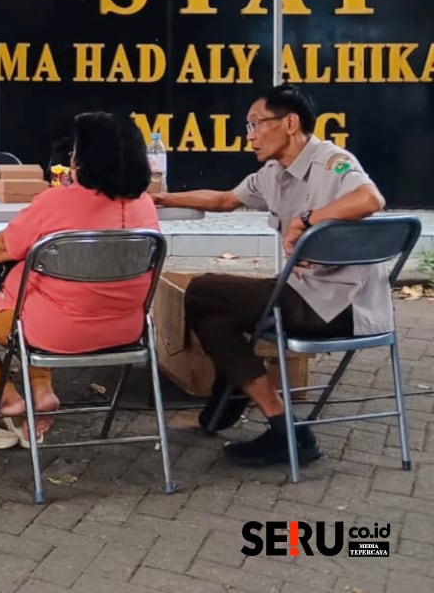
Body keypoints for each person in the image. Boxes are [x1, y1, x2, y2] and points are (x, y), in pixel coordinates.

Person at [154, 84, 387, 467]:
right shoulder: (273, 173)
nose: (249, 135)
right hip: (301, 295)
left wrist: (307, 219)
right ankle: (280, 425)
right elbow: (225, 200)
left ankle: (238, 398)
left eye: (256, 123)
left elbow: (370, 199)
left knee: (202, 290)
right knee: (213, 318)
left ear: (290, 123)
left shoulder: (332, 161)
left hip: (340, 305)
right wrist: (162, 199)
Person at [0, 112, 160, 448]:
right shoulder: (145, 206)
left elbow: (5, 245)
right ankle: (40, 392)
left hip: (52, 329)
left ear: (82, 160)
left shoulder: (57, 200)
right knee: (43, 295)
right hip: (126, 331)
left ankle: (7, 400)